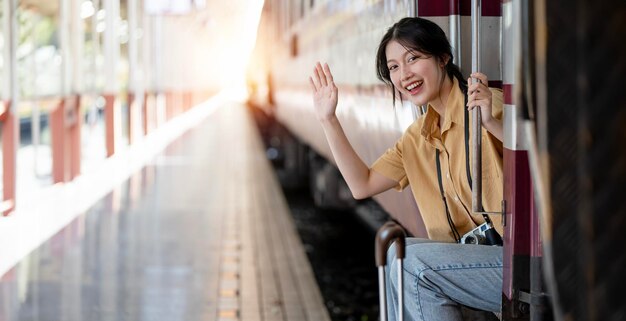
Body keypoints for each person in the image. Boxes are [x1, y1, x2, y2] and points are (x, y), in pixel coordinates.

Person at [308, 17, 504, 321]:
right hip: (477, 264)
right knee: (397, 259)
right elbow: (362, 185)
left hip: (524, 263)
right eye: (394, 67)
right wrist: (328, 120)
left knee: (411, 262)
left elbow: (544, 159)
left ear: (443, 58)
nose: (404, 74)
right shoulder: (416, 139)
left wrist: (492, 123)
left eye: (413, 58)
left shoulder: (487, 107)